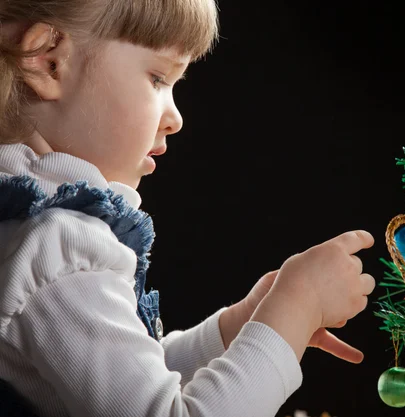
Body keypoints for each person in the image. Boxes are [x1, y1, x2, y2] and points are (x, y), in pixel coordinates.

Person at [0, 1, 377, 416]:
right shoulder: (58, 250)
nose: (175, 117)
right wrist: (297, 306)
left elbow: (122, 388)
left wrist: (237, 327)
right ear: (49, 62)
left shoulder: (23, 225)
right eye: (158, 77)